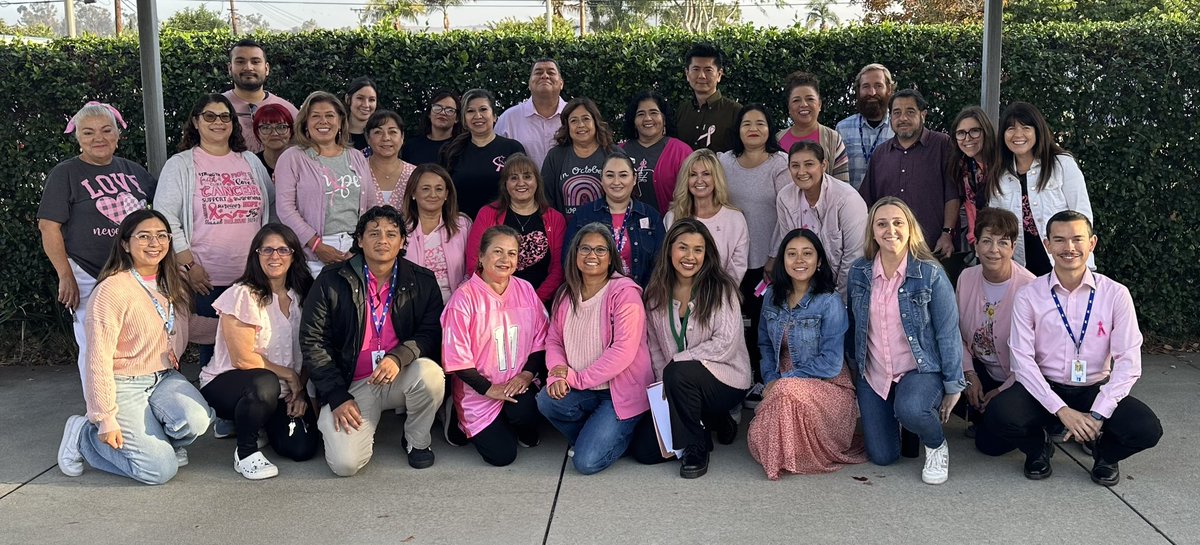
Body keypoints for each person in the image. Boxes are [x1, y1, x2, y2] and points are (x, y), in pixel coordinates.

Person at [986, 211, 1161, 486]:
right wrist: (1061, 410)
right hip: (1046, 387)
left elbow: (1128, 361)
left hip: (1094, 388)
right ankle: (1039, 447)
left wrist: (1098, 413)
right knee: (998, 414)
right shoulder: (1029, 295)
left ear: (1091, 244)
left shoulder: (1116, 294)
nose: (1069, 248)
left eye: (1077, 239)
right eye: (1060, 240)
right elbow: (1022, 360)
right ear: (1048, 245)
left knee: (1147, 429)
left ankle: (1105, 455)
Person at [57, 209, 215, 485]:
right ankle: (84, 436)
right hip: (124, 383)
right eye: (144, 236)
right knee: (159, 471)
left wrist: (241, 327)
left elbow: (187, 327)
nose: (154, 243)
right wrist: (104, 417)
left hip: (164, 377)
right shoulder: (112, 290)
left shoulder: (170, 282)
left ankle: (160, 441)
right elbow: (98, 359)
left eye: (161, 236)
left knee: (198, 419)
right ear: (125, 244)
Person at [299, 206, 445, 476]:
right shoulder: (332, 280)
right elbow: (313, 341)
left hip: (397, 375)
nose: (383, 240)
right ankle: (345, 423)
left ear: (402, 242)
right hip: (351, 383)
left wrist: (399, 356)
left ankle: (416, 440)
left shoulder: (422, 281)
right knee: (345, 465)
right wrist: (337, 395)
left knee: (431, 375)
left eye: (392, 234)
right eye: (374, 233)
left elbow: (430, 333)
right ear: (359, 240)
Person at [38, 101, 157, 397]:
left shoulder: (134, 171)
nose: (98, 138)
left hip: (134, 275)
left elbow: (162, 211)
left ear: (118, 136)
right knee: (95, 346)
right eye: (88, 132)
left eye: (106, 130)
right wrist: (65, 275)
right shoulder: (65, 173)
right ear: (78, 137)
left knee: (137, 340)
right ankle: (101, 411)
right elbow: (49, 227)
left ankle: (134, 403)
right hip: (89, 274)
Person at [846, 197, 964, 485]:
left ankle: (935, 444)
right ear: (872, 231)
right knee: (882, 456)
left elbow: (947, 332)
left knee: (911, 409)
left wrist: (953, 386)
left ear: (910, 228)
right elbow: (854, 327)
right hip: (874, 372)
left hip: (918, 368)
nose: (891, 230)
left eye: (898, 223)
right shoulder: (859, 273)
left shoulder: (930, 273)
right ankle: (906, 423)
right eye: (882, 223)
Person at [154, 93, 274, 368]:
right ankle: (216, 404)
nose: (218, 122)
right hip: (206, 278)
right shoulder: (181, 164)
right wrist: (189, 265)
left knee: (256, 343)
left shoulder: (250, 162)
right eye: (209, 116)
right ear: (196, 122)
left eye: (225, 116)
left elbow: (271, 207)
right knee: (215, 349)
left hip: (252, 275)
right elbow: (165, 217)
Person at [199, 223, 320, 480]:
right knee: (264, 383)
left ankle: (259, 422)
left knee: (301, 449)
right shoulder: (243, 294)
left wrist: (300, 392)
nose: (275, 256)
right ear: (256, 254)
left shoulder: (302, 295)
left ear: (294, 255)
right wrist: (289, 375)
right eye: (266, 250)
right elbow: (243, 359)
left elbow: (312, 347)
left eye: (283, 250)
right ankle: (245, 453)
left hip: (283, 390)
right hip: (231, 384)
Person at [634, 219, 750, 478]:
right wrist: (663, 385)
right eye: (683, 248)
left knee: (680, 372)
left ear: (707, 253)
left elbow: (725, 344)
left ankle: (696, 447)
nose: (690, 256)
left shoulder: (721, 289)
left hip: (725, 380)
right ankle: (715, 421)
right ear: (669, 250)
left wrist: (677, 363)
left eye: (698, 250)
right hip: (677, 382)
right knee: (645, 451)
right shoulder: (655, 293)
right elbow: (653, 346)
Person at [748, 228, 867, 479]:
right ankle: (788, 452)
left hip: (829, 386)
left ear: (819, 260)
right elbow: (765, 345)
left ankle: (794, 453)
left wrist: (785, 380)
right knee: (780, 399)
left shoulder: (829, 301)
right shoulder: (771, 296)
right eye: (791, 254)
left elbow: (831, 364)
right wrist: (770, 380)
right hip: (782, 383)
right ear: (782, 261)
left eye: (807, 253)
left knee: (786, 391)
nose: (799, 260)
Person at [539, 224, 653, 474]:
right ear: (575, 254)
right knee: (547, 400)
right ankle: (593, 435)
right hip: (584, 389)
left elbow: (623, 351)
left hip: (618, 393)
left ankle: (618, 436)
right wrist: (558, 372)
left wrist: (576, 379)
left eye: (601, 250)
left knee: (586, 462)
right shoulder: (566, 293)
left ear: (612, 257)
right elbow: (554, 340)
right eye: (586, 249)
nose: (592, 255)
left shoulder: (625, 294)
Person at [442, 226, 550, 466]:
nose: (505, 259)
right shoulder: (464, 297)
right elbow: (456, 356)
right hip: (479, 391)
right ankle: (456, 418)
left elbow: (541, 338)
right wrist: (489, 389)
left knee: (526, 417)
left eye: (512, 254)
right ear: (481, 256)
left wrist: (526, 374)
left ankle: (512, 422)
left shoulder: (525, 290)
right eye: (498, 252)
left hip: (518, 384)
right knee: (502, 456)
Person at [718, 104, 791, 408]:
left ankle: (762, 378)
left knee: (763, 322)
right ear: (737, 129)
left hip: (766, 260)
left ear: (769, 129)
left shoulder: (780, 164)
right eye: (746, 123)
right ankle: (734, 377)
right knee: (731, 320)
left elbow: (787, 213)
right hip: (728, 258)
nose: (753, 129)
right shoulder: (724, 162)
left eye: (760, 123)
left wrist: (775, 257)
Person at [953, 207, 1036, 455]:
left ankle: (1036, 431)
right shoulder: (966, 278)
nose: (994, 250)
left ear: (1012, 247)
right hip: (982, 368)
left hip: (1020, 377)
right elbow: (955, 332)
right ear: (975, 245)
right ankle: (981, 414)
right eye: (986, 241)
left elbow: (1037, 356)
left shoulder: (1031, 287)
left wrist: (1002, 390)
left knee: (989, 446)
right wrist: (969, 374)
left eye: (1002, 242)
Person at [275, 91, 378, 278]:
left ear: (340, 121)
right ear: (305, 122)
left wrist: (360, 246)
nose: (323, 121)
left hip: (356, 248)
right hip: (313, 252)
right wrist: (316, 245)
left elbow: (371, 205)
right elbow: (285, 209)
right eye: (315, 116)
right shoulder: (292, 158)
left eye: (330, 115)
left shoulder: (356, 156)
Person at [987, 102, 1094, 276]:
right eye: (1011, 129)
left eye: (1026, 127)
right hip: (1020, 269)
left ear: (1038, 130)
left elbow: (1082, 216)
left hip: (1064, 264)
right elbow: (996, 225)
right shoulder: (999, 175)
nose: (1018, 134)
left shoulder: (1062, 165)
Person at [859, 89, 959, 257]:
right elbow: (868, 202)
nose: (903, 118)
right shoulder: (880, 153)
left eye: (910, 112)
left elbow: (953, 194)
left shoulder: (942, 144)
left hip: (933, 247)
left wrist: (947, 233)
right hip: (891, 250)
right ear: (890, 118)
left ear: (923, 115)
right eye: (897, 113)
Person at [768, 141, 867, 298]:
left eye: (809, 164)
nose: (801, 172)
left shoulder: (847, 199)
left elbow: (854, 257)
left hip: (844, 288)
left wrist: (837, 300)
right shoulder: (785, 197)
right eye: (795, 166)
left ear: (823, 165)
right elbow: (789, 246)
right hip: (804, 286)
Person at [465, 154, 566, 304]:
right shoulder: (487, 214)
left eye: (527, 177)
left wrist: (534, 301)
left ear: (537, 181)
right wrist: (496, 298)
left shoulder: (555, 219)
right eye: (514, 178)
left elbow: (558, 269)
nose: (521, 183)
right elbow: (474, 260)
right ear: (505, 183)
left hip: (540, 302)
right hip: (492, 301)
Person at [565, 153, 664, 287]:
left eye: (623, 175)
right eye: (610, 175)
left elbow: (661, 265)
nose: (616, 182)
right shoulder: (584, 216)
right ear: (601, 179)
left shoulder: (651, 217)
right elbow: (568, 260)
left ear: (634, 179)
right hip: (595, 296)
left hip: (641, 299)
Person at [663, 149, 748, 283]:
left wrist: (715, 298)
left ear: (716, 178)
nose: (699, 180)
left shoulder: (735, 219)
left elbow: (737, 270)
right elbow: (667, 265)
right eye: (693, 174)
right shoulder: (673, 217)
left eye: (706, 174)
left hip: (721, 297)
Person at [441, 88, 526, 219]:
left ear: (494, 116)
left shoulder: (512, 149)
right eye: (470, 111)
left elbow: (524, 189)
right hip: (461, 227)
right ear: (464, 119)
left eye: (483, 109)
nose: (478, 116)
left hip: (504, 226)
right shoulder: (451, 151)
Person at [401, 164, 472, 303]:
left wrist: (460, 300)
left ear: (446, 194)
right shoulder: (399, 228)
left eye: (439, 189)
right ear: (413, 193)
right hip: (412, 307)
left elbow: (473, 268)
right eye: (426, 189)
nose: (433, 194)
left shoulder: (463, 225)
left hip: (457, 305)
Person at [619, 91, 694, 214]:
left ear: (664, 119)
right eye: (641, 114)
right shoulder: (619, 151)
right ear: (633, 120)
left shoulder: (681, 152)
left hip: (669, 227)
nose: (648, 118)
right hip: (624, 229)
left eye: (654, 113)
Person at [542, 97, 617, 218]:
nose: (581, 125)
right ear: (567, 126)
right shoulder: (555, 156)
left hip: (609, 231)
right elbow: (546, 198)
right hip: (568, 233)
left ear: (595, 122)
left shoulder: (613, 153)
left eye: (586, 119)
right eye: (574, 121)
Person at [223, 38, 298, 153]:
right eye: (240, 61)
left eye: (255, 61)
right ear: (230, 68)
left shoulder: (288, 110)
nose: (248, 67)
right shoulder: (216, 107)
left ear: (266, 68)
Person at [775, 71, 849, 183]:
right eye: (796, 100)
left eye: (810, 99)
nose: (804, 104)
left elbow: (843, 185)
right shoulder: (777, 140)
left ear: (819, 105)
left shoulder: (833, 139)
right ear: (789, 107)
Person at [495, 59, 567, 168]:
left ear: (561, 83)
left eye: (551, 72)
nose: (544, 76)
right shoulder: (509, 118)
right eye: (538, 72)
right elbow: (496, 160)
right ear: (529, 84)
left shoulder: (575, 115)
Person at [835, 63, 896, 189]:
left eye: (878, 86)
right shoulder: (842, 128)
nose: (872, 92)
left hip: (889, 205)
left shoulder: (898, 128)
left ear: (889, 89)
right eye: (866, 86)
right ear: (858, 91)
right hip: (851, 206)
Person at [947, 106, 997, 255]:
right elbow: (970, 206)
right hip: (980, 241)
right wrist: (973, 237)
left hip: (1007, 239)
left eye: (974, 131)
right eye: (961, 133)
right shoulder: (963, 166)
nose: (967, 138)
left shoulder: (1001, 163)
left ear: (986, 132)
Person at [675, 43, 741, 153]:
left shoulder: (735, 112)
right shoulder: (682, 111)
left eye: (708, 70)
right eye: (696, 69)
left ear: (719, 74)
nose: (701, 76)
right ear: (687, 74)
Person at [364, 110, 417, 209]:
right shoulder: (357, 171)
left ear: (402, 137)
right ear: (368, 138)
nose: (386, 138)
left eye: (392, 132)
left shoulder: (415, 174)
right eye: (378, 132)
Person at [402, 89, 461, 166]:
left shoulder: (462, 146)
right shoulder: (412, 146)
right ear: (429, 113)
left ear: (457, 118)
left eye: (450, 110)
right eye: (437, 108)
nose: (442, 113)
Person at [252, 103, 294, 179]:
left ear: (291, 131)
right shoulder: (251, 164)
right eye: (266, 128)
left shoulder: (302, 162)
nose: (274, 133)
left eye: (281, 127)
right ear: (257, 133)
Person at [344, 76, 378, 152]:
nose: (366, 105)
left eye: (371, 100)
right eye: (360, 98)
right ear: (348, 99)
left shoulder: (381, 135)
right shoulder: (335, 133)